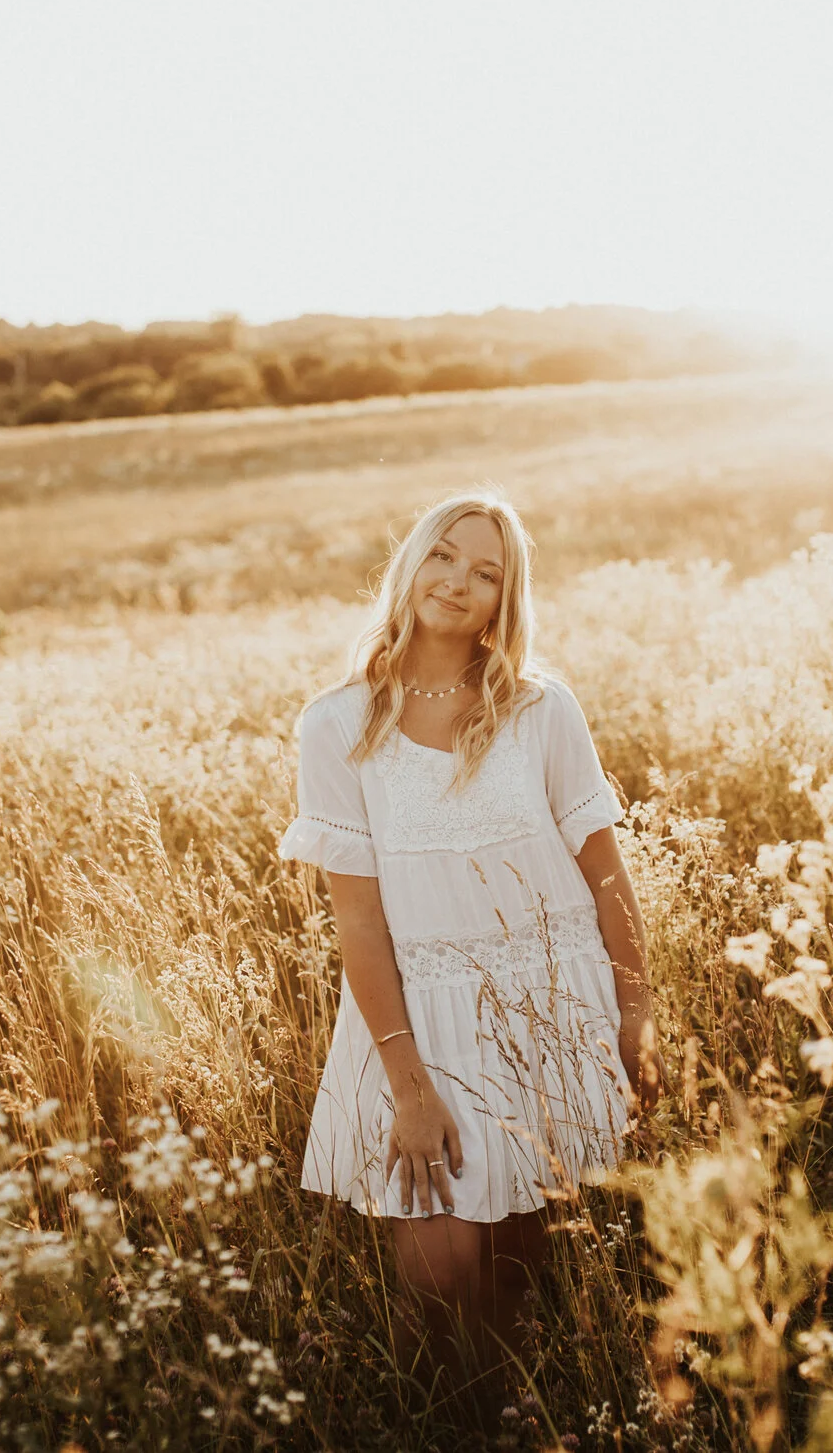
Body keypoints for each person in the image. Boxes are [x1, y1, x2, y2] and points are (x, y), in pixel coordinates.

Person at [275, 486, 660, 1404]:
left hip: (555, 1008)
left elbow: (607, 873)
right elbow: (359, 923)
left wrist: (638, 1016)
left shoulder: (539, 708)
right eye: (445, 554)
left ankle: (507, 1418)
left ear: (504, 600)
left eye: (486, 572)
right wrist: (408, 1084)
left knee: (513, 1282)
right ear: (411, 559)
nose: (458, 581)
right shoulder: (336, 722)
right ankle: (423, 1421)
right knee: (437, 1278)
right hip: (422, 1018)